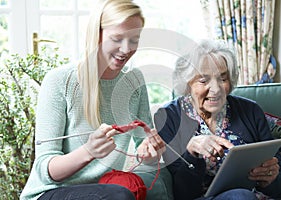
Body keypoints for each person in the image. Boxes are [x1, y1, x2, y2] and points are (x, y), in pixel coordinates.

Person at [20, 0, 172, 199]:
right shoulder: (60, 81)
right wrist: (88, 151)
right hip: (51, 192)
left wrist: (151, 153)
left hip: (105, 188)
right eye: (117, 38)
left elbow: (144, 145)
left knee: (160, 182)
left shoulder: (134, 80)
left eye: (134, 40)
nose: (126, 49)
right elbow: (45, 171)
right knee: (118, 195)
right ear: (96, 35)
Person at [154, 39, 281, 200]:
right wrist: (192, 153)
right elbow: (182, 193)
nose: (216, 89)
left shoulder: (251, 111)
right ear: (187, 83)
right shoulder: (168, 117)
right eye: (203, 80)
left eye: (223, 78)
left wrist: (271, 179)